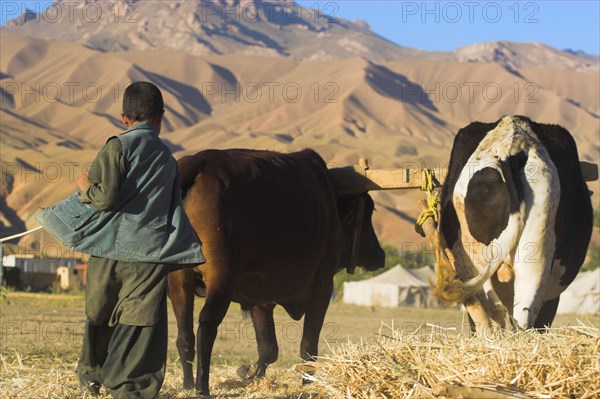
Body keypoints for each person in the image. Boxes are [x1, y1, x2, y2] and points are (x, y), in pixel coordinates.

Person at [36, 82, 205, 398]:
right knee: (140, 322)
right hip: (150, 255)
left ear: (123, 117)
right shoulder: (168, 159)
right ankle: (130, 388)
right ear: (161, 117)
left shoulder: (117, 146)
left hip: (110, 249)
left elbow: (107, 197)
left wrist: (85, 186)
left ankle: (92, 379)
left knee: (100, 313)